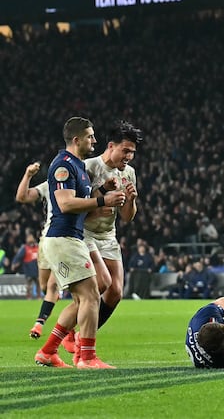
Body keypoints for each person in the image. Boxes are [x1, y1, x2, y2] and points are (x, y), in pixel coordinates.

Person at [34, 117, 126, 369]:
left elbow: (82, 201)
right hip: (63, 239)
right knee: (90, 297)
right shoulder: (63, 165)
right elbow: (65, 203)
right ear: (76, 140)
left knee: (97, 288)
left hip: (72, 238)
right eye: (90, 136)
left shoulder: (78, 166)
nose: (94, 140)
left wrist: (101, 191)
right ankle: (86, 357)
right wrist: (102, 202)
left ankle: (48, 350)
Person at [82, 120, 143, 335]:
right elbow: (74, 207)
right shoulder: (89, 167)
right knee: (98, 284)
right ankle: (70, 334)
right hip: (84, 234)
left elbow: (127, 217)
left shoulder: (128, 173)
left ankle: (82, 335)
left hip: (108, 236)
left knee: (116, 292)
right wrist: (101, 203)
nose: (128, 156)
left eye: (132, 152)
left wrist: (131, 201)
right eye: (125, 150)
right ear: (110, 146)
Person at [15, 161, 61, 339]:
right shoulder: (49, 184)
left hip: (65, 238)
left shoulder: (81, 180)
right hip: (46, 240)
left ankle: (39, 323)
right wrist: (28, 174)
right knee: (45, 287)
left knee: (52, 285)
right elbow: (22, 197)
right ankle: (54, 298)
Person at [12, 233, 41, 299]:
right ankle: (28, 297)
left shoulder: (38, 247)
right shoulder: (25, 248)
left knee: (38, 284)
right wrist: (14, 263)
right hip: (28, 269)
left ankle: (39, 297)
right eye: (29, 238)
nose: (30, 239)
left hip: (37, 269)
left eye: (31, 238)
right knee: (29, 284)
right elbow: (18, 257)